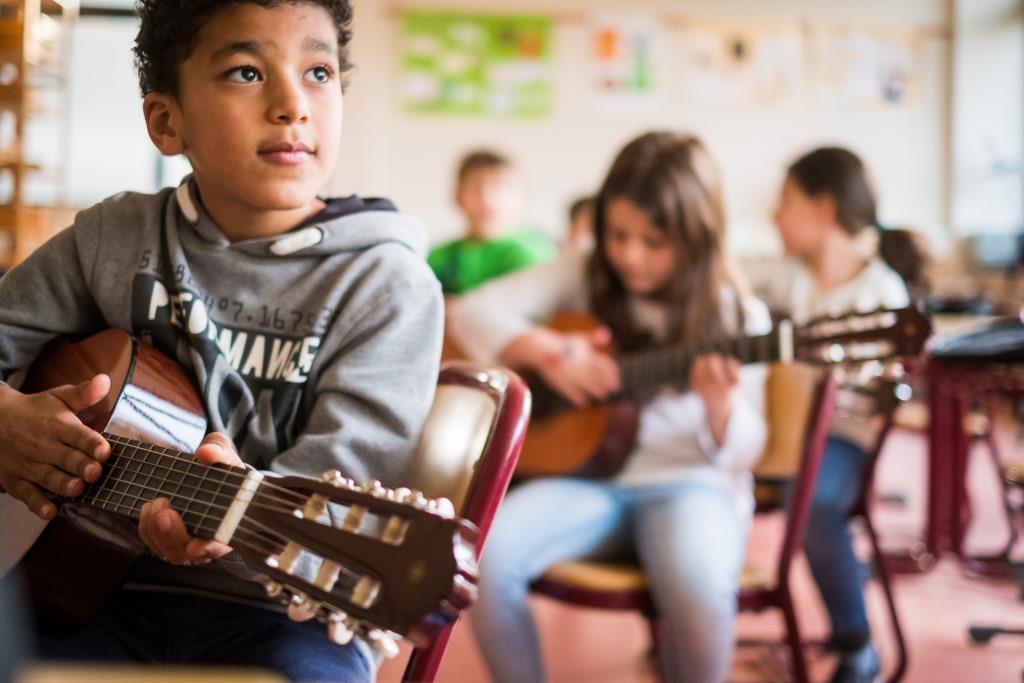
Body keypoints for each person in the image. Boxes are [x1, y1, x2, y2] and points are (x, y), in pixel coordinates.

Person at [0, 1, 443, 681]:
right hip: (78, 589)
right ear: (166, 122)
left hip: (283, 609)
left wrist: (228, 517)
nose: (293, 103)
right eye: (245, 71)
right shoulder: (111, 241)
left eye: (318, 71)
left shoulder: (388, 284)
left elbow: (344, 480)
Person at [447, 131, 771, 683]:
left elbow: (746, 451)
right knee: (479, 556)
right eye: (618, 235)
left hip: (691, 483)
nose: (630, 255)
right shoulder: (582, 269)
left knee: (698, 586)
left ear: (696, 238)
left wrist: (721, 408)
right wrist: (549, 352)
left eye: (654, 241)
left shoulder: (737, 312)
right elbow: (470, 313)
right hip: (587, 482)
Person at [752, 146, 919, 683]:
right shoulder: (786, 277)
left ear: (823, 209)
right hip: (776, 432)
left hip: (841, 439)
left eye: (785, 201)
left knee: (818, 497)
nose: (774, 216)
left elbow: (880, 402)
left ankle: (856, 645)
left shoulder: (881, 291)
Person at [427, 149, 555, 296]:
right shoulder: (437, 257)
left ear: (523, 198)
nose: (488, 199)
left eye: (501, 188)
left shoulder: (535, 257)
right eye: (477, 188)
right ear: (457, 196)